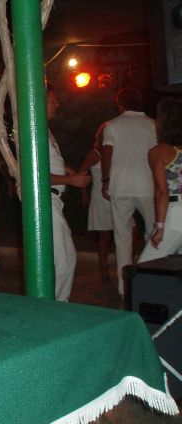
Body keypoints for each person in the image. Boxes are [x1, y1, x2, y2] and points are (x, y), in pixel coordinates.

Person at [101, 87, 156, 295]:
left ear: (120, 103)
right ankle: (151, 279)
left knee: (122, 237)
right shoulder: (153, 125)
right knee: (154, 232)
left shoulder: (112, 125)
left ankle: (124, 287)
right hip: (147, 185)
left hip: (120, 186)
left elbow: (107, 154)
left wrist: (105, 180)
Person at [46, 87, 91, 301]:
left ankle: (59, 303)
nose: (57, 104)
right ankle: (54, 307)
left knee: (68, 257)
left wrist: (66, 170)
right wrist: (71, 180)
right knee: (62, 260)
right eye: (53, 100)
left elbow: (48, 162)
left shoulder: (44, 130)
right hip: (45, 199)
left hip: (54, 199)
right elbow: (35, 175)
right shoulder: (34, 130)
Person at [138, 97, 182, 262]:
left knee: (146, 265)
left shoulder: (159, 152)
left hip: (176, 213)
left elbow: (162, 192)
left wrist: (160, 227)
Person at [79, 123, 113, 281]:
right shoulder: (95, 153)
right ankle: (104, 268)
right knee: (105, 234)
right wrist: (84, 193)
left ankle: (127, 265)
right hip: (100, 197)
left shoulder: (114, 151)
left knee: (131, 229)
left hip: (116, 195)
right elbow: (81, 172)